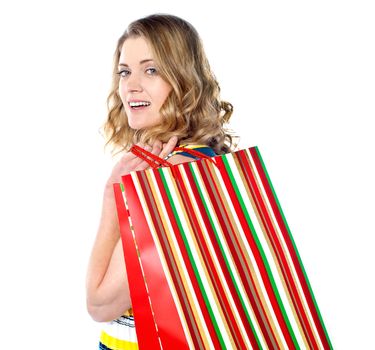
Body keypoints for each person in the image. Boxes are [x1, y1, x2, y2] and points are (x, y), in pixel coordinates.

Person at [86, 13, 236, 350]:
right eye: (125, 71)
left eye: (151, 70)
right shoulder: (203, 161)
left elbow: (99, 303)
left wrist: (113, 194)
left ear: (183, 81)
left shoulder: (174, 176)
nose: (131, 85)